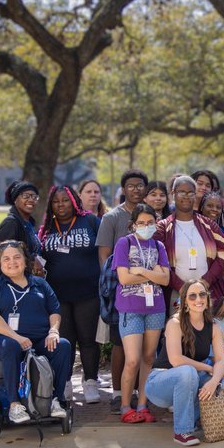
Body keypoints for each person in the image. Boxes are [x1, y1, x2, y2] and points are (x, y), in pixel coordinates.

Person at [0, 241, 72, 424]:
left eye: (17, 257)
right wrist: (17, 337)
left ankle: (55, 400)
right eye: (6, 259)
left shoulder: (40, 284)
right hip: (1, 342)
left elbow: (54, 311)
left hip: (38, 341)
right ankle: (14, 405)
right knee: (10, 345)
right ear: (0, 263)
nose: (12, 262)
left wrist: (53, 331)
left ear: (26, 261)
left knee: (63, 346)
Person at [143, 280, 224, 446]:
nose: (198, 299)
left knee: (223, 384)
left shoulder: (213, 326)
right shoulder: (175, 323)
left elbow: (222, 359)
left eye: (202, 294)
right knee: (187, 371)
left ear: (207, 298)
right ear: (185, 301)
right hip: (160, 384)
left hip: (191, 378)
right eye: (192, 296)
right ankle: (182, 432)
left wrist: (213, 381)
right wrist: (207, 368)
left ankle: (195, 421)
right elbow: (176, 360)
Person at [37, 185, 102, 403]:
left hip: (88, 293)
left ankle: (90, 382)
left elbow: (104, 252)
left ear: (74, 201)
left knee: (88, 339)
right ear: (50, 205)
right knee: (64, 341)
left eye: (65, 200)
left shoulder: (90, 221)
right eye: (56, 201)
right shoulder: (46, 228)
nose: (61, 205)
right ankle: (64, 382)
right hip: (57, 296)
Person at [113, 204, 171, 424]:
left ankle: (143, 405)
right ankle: (126, 406)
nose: (146, 227)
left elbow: (165, 279)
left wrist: (140, 271)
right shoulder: (124, 243)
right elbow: (124, 279)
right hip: (130, 308)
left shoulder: (159, 246)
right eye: (141, 223)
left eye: (150, 222)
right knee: (133, 360)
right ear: (133, 224)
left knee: (149, 357)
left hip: (155, 307)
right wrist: (153, 274)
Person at [98, 169, 149, 412]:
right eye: (131, 186)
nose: (136, 190)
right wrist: (114, 286)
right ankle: (118, 392)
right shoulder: (112, 218)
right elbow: (104, 257)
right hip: (122, 291)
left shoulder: (151, 216)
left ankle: (140, 391)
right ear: (123, 189)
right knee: (121, 344)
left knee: (145, 347)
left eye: (140, 186)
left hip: (149, 292)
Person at [154, 175, 224, 309]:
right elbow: (158, 262)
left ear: (195, 195)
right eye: (182, 192)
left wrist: (204, 283)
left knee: (207, 329)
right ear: (173, 194)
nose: (186, 196)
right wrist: (183, 288)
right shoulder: (162, 227)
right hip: (176, 294)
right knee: (178, 329)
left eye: (190, 193)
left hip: (207, 292)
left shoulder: (210, 225)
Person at [0, 180, 43, 271]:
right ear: (15, 199)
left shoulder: (29, 224)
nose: (31, 199)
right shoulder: (11, 224)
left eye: (34, 197)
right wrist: (31, 261)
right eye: (26, 196)